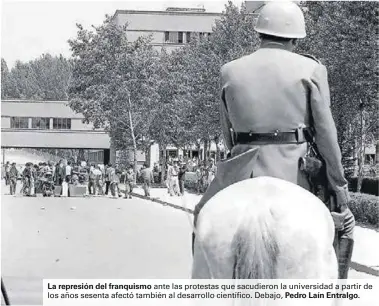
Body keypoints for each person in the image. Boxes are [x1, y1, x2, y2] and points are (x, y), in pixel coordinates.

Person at [192, 2, 355, 279]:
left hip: (242, 170)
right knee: (344, 226)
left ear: (260, 33)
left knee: (202, 217)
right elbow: (327, 135)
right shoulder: (312, 69)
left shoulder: (229, 70)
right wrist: (340, 188)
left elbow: (227, 133)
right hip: (295, 172)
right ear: (295, 37)